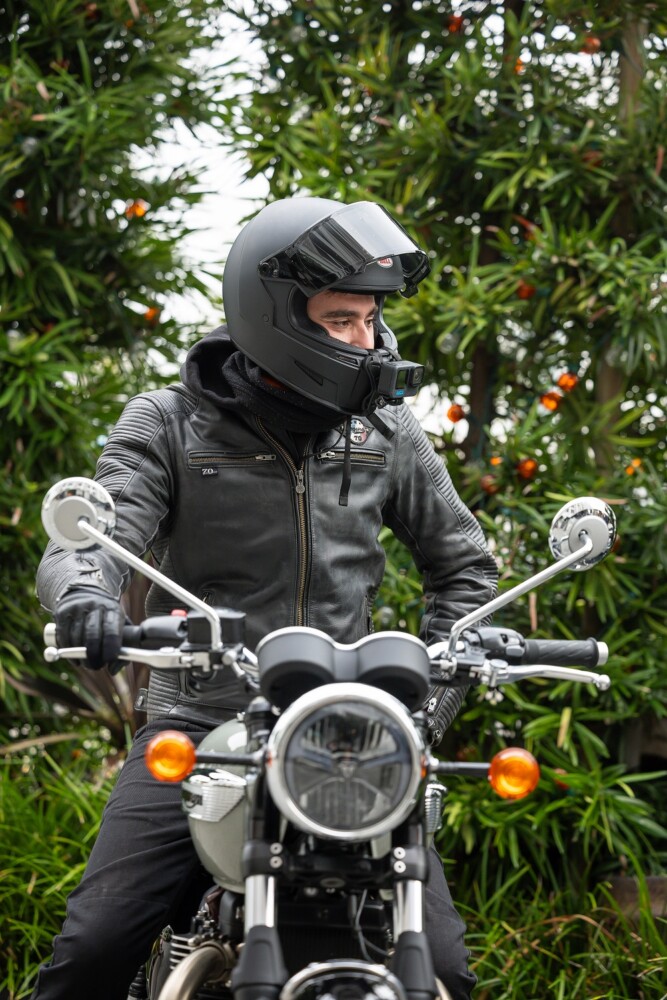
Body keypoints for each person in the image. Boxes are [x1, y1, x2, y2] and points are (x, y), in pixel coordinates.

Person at [33, 197, 498, 1000]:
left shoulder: (387, 431)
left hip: (345, 735)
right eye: (341, 320)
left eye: (371, 318)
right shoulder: (169, 423)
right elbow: (90, 538)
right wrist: (85, 597)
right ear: (275, 315)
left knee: (446, 972)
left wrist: (424, 712)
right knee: (94, 949)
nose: (366, 340)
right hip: (199, 724)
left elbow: (464, 569)